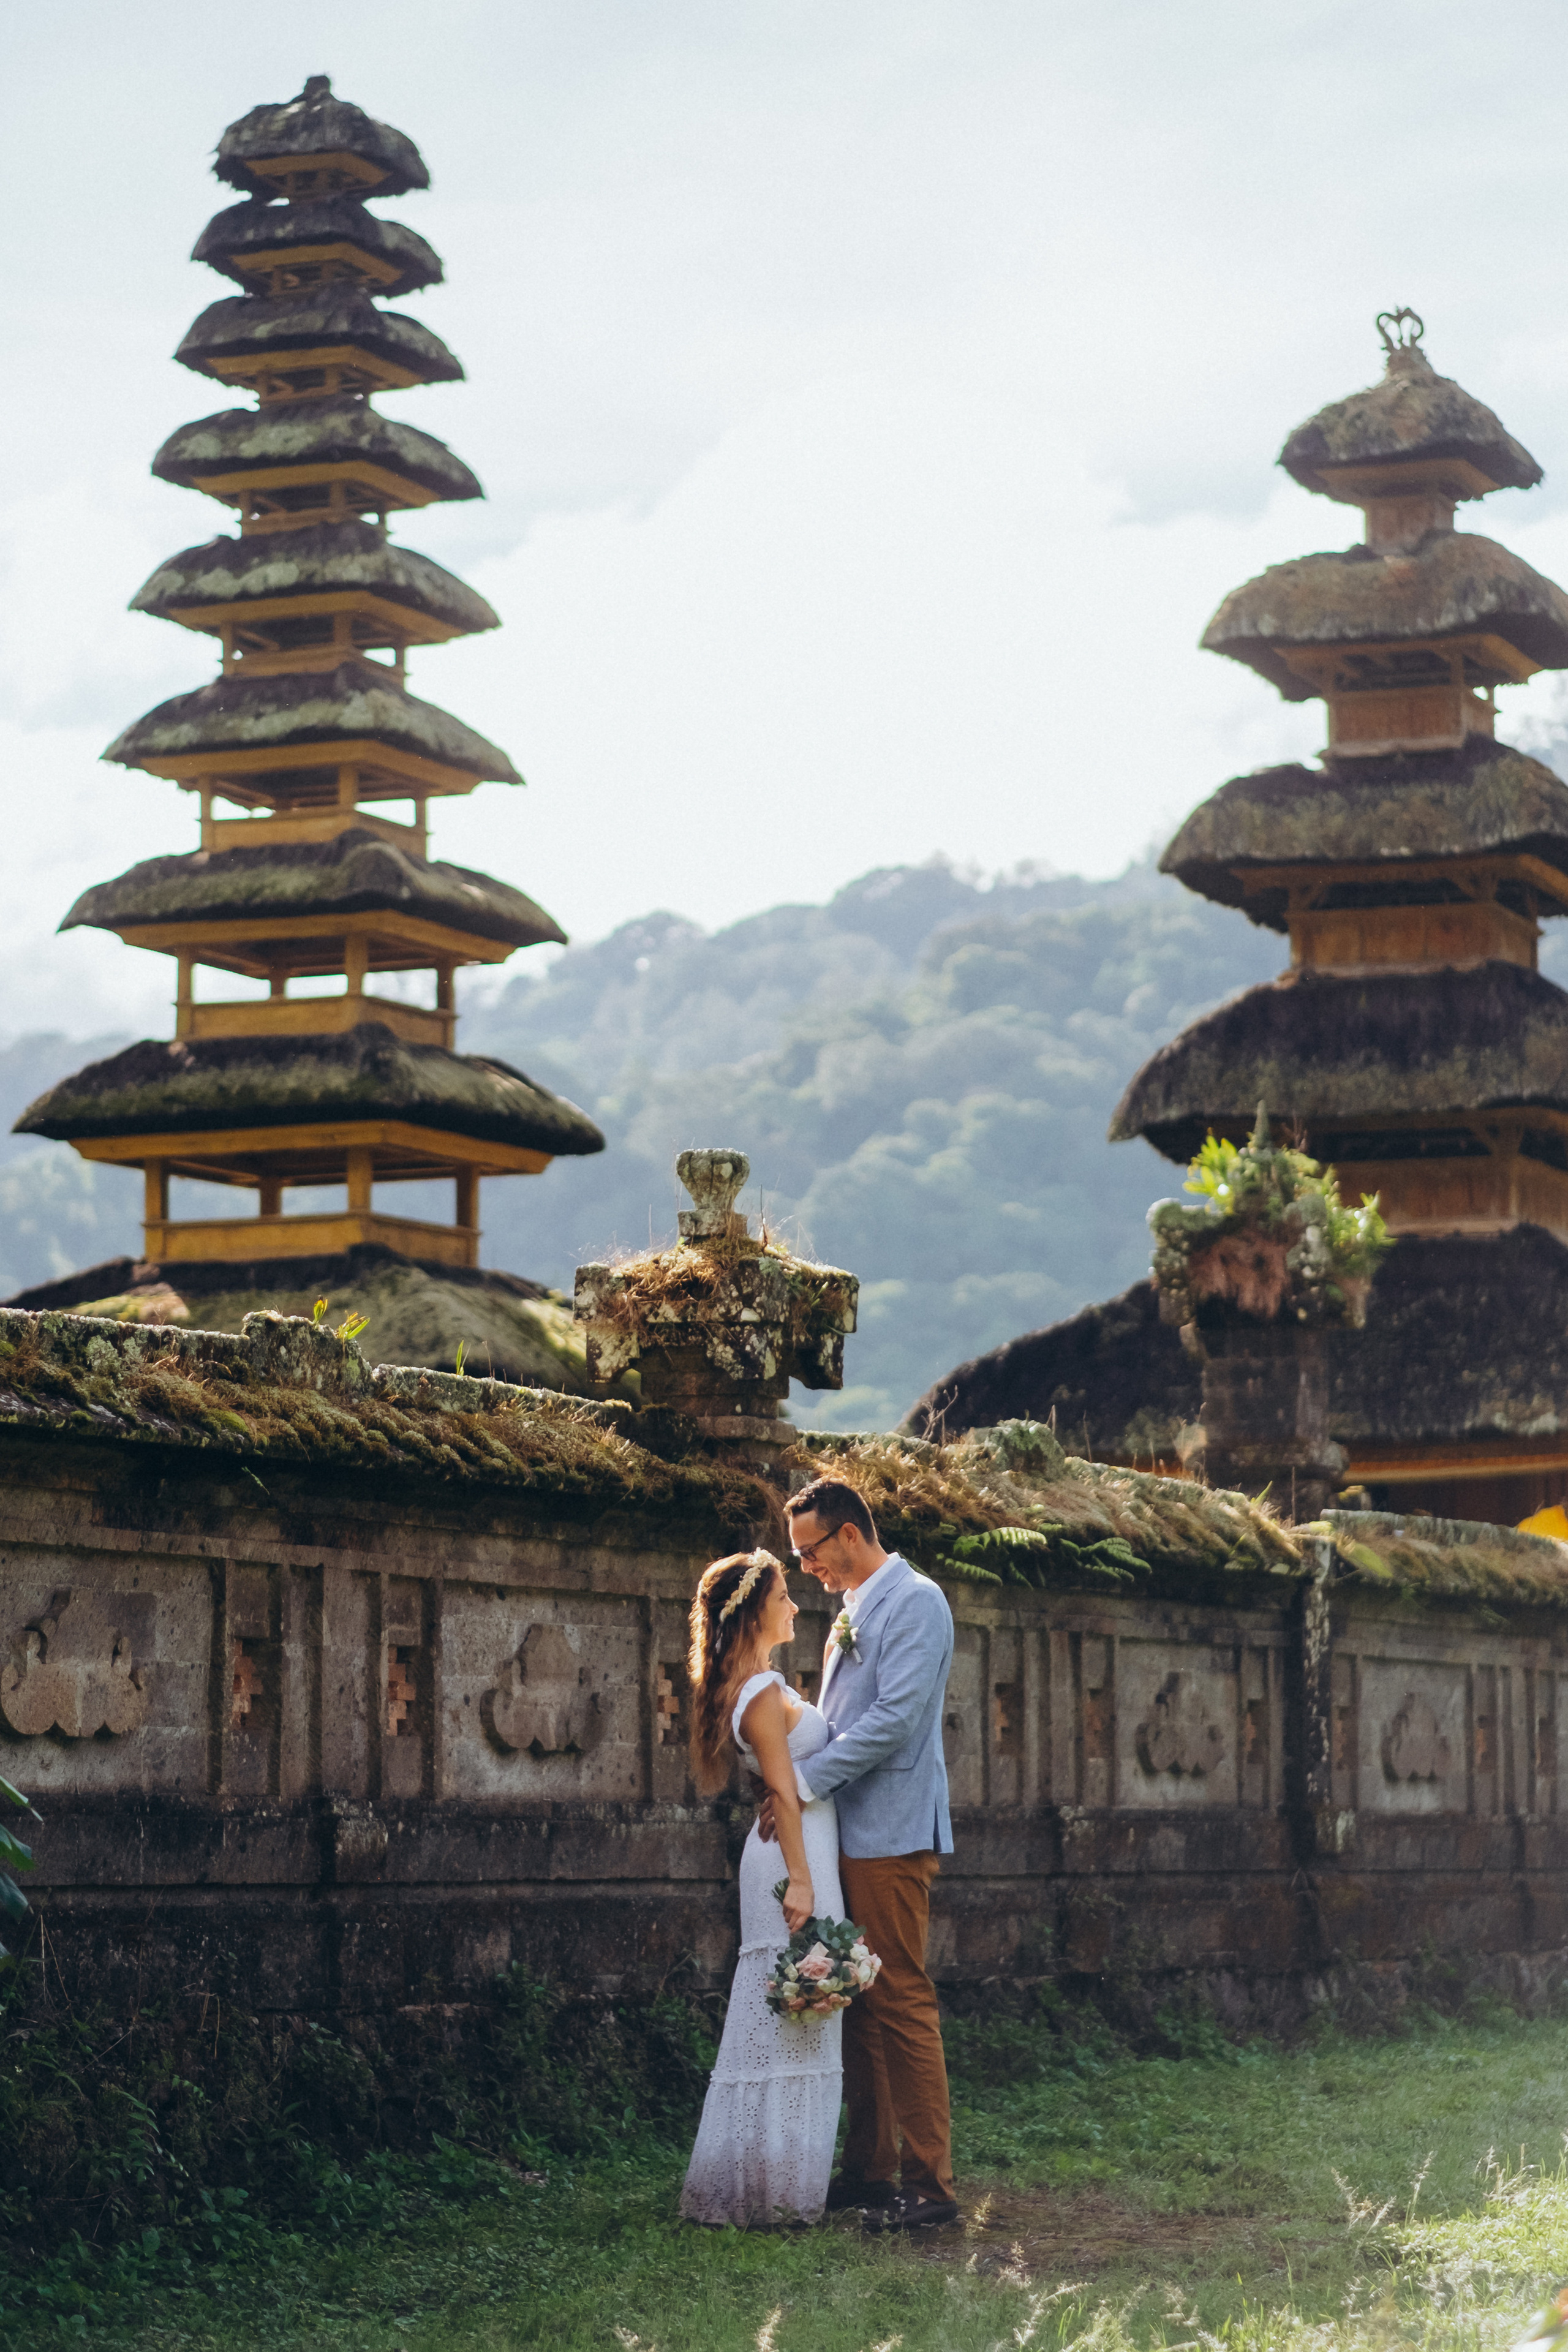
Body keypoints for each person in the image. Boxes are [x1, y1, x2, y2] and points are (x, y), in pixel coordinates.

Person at [762, 1476, 959, 2233]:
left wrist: (801, 1783)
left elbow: (893, 1722)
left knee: (901, 1996)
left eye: (811, 1551)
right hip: (849, 1827)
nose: (807, 1568)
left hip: (891, 1830)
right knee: (865, 2001)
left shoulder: (916, 1601)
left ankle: (931, 2185)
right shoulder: (852, 1606)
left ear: (850, 1533)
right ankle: (872, 2172)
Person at [679, 1548, 845, 2227]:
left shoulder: (756, 1688)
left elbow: (779, 1786)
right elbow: (782, 1788)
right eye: (784, 1597)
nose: (796, 1607)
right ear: (754, 1612)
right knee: (790, 2018)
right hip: (791, 1865)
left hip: (797, 1853)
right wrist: (801, 1885)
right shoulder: (760, 1695)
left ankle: (775, 2184)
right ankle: (771, 2193)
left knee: (795, 2021)